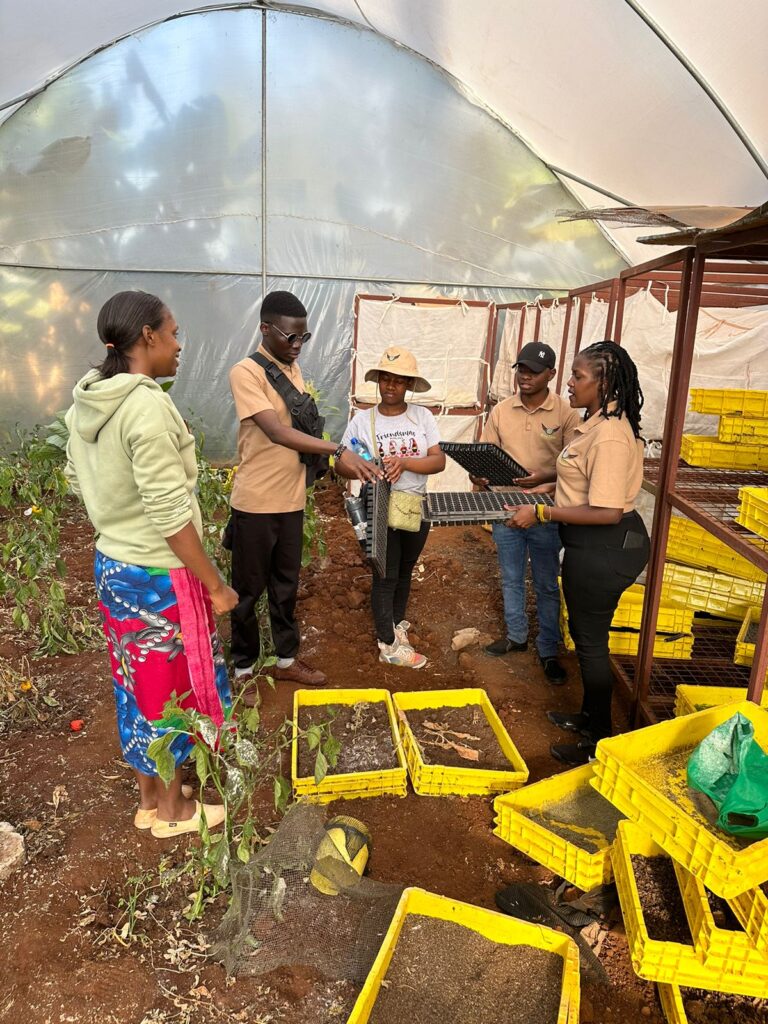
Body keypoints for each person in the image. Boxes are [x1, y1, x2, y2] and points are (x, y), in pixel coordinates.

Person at [64, 291, 238, 838]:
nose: (180, 345)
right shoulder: (144, 406)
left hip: (114, 567)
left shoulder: (85, 403)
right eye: (174, 332)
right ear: (148, 337)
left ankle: (149, 799)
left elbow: (76, 480)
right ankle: (174, 813)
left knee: (135, 682)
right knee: (174, 690)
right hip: (161, 576)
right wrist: (215, 584)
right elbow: (169, 514)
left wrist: (115, 520)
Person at [506, 341, 650, 765]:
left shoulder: (609, 436)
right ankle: (588, 718)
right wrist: (545, 477)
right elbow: (581, 476)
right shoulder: (597, 422)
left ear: (604, 383)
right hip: (596, 544)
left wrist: (541, 512)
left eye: (578, 377)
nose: (569, 383)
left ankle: (598, 740)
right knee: (590, 640)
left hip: (604, 548)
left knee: (590, 644)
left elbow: (605, 510)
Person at [228, 291, 379, 690]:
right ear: (264, 328)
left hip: (291, 501)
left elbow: (304, 431)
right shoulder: (246, 373)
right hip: (256, 503)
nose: (296, 346)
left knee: (286, 585)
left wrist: (331, 461)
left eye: (303, 338)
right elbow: (278, 433)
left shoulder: (292, 370)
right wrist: (338, 451)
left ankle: (286, 660)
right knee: (247, 591)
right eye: (288, 337)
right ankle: (243, 669)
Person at [472, 342, 580, 683]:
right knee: (511, 575)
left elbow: (577, 466)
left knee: (547, 582)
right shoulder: (501, 411)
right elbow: (485, 453)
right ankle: (517, 637)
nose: (525, 376)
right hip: (505, 505)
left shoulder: (566, 413)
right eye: (521, 369)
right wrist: (477, 472)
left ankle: (548, 649)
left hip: (547, 511)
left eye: (534, 371)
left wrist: (543, 479)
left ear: (552, 375)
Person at [339, 346, 446, 668]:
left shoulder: (421, 417)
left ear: (409, 386)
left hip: (415, 505)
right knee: (385, 575)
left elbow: (438, 461)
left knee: (405, 570)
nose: (390, 386)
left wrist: (405, 462)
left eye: (398, 381)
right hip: (379, 505)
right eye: (385, 379)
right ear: (378, 382)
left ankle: (396, 625)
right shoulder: (363, 420)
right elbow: (341, 462)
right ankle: (387, 644)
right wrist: (361, 468)